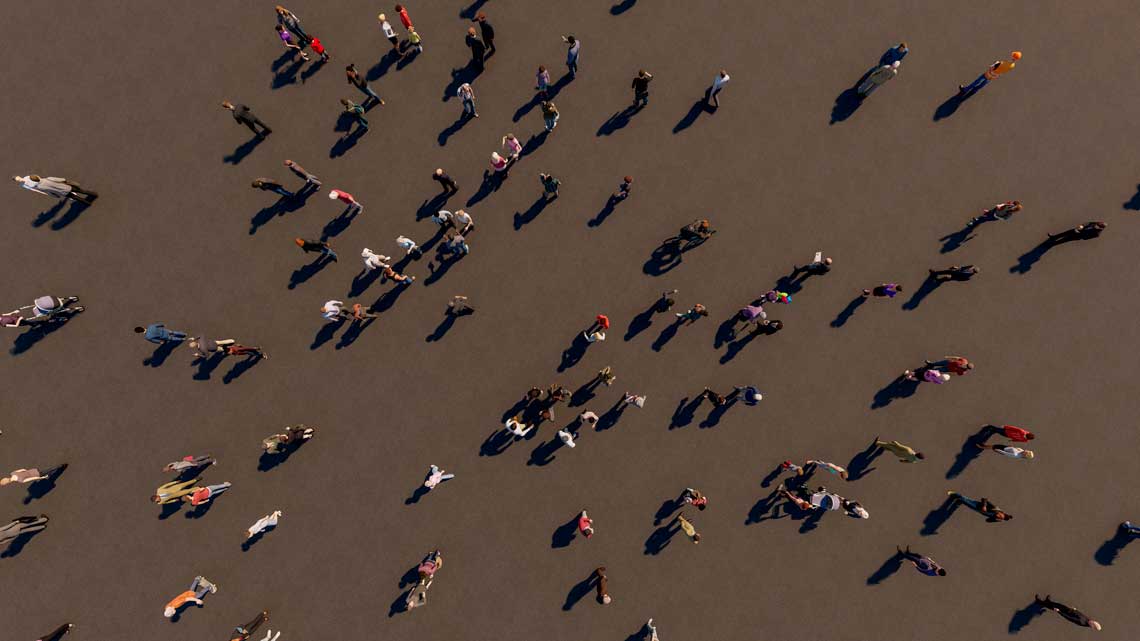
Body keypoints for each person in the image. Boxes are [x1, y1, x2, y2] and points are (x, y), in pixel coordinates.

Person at [12, 175, 99, 204]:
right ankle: (94, 195)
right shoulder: (47, 179)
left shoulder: (38, 187)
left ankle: (87, 203)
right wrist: (64, 180)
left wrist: (51, 194)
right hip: (65, 187)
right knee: (81, 191)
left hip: (60, 192)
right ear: (37, 177)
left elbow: (44, 191)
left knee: (75, 197)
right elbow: (59, 179)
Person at [1034, 595, 1102, 631]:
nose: (1092, 620)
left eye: (1093, 623)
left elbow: (1068, 618)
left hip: (1066, 612)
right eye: (1094, 621)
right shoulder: (1089, 620)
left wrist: (1059, 611)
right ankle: (1048, 601)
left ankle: (1040, 602)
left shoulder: (1082, 622)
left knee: (1055, 607)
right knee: (1058, 604)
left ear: (1092, 626)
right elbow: (1080, 614)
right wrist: (1075, 610)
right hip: (1070, 610)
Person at [948, 491, 1013, 521]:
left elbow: (987, 520)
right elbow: (984, 499)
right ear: (1002, 513)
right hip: (977, 505)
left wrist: (996, 520)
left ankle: (959, 500)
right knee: (966, 500)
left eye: (1000, 518)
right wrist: (984, 506)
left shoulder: (995, 517)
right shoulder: (995, 508)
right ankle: (955, 494)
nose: (999, 516)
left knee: (966, 502)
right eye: (1001, 516)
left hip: (977, 509)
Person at [1, 464, 66, 486]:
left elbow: (32, 478)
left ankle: (60, 467)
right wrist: (27, 472)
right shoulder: (12, 473)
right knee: (46, 470)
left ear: (8, 483)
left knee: (49, 472)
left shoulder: (20, 481)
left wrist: (42, 478)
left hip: (37, 474)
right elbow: (22, 469)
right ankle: (59, 467)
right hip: (33, 470)